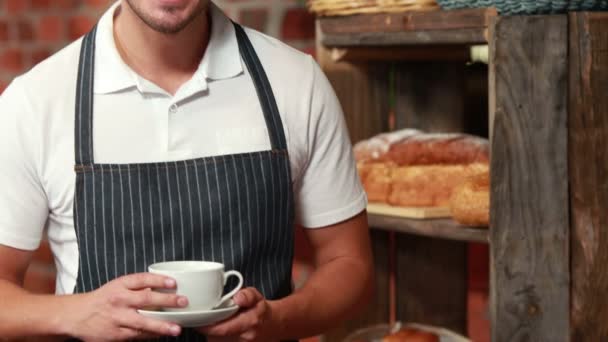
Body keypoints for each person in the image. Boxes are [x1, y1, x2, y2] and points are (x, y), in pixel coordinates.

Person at [0, 0, 373, 341]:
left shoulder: (295, 82)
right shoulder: (36, 101)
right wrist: (77, 313)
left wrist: (277, 320)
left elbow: (350, 263)